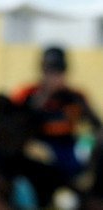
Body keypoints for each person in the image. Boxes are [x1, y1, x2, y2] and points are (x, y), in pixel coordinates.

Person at [12, 46, 102, 190]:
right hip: (37, 147)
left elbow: (96, 124)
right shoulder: (28, 93)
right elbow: (14, 123)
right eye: (49, 70)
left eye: (58, 71)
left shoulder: (75, 96)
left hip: (68, 148)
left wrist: (86, 145)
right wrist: (43, 97)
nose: (54, 76)